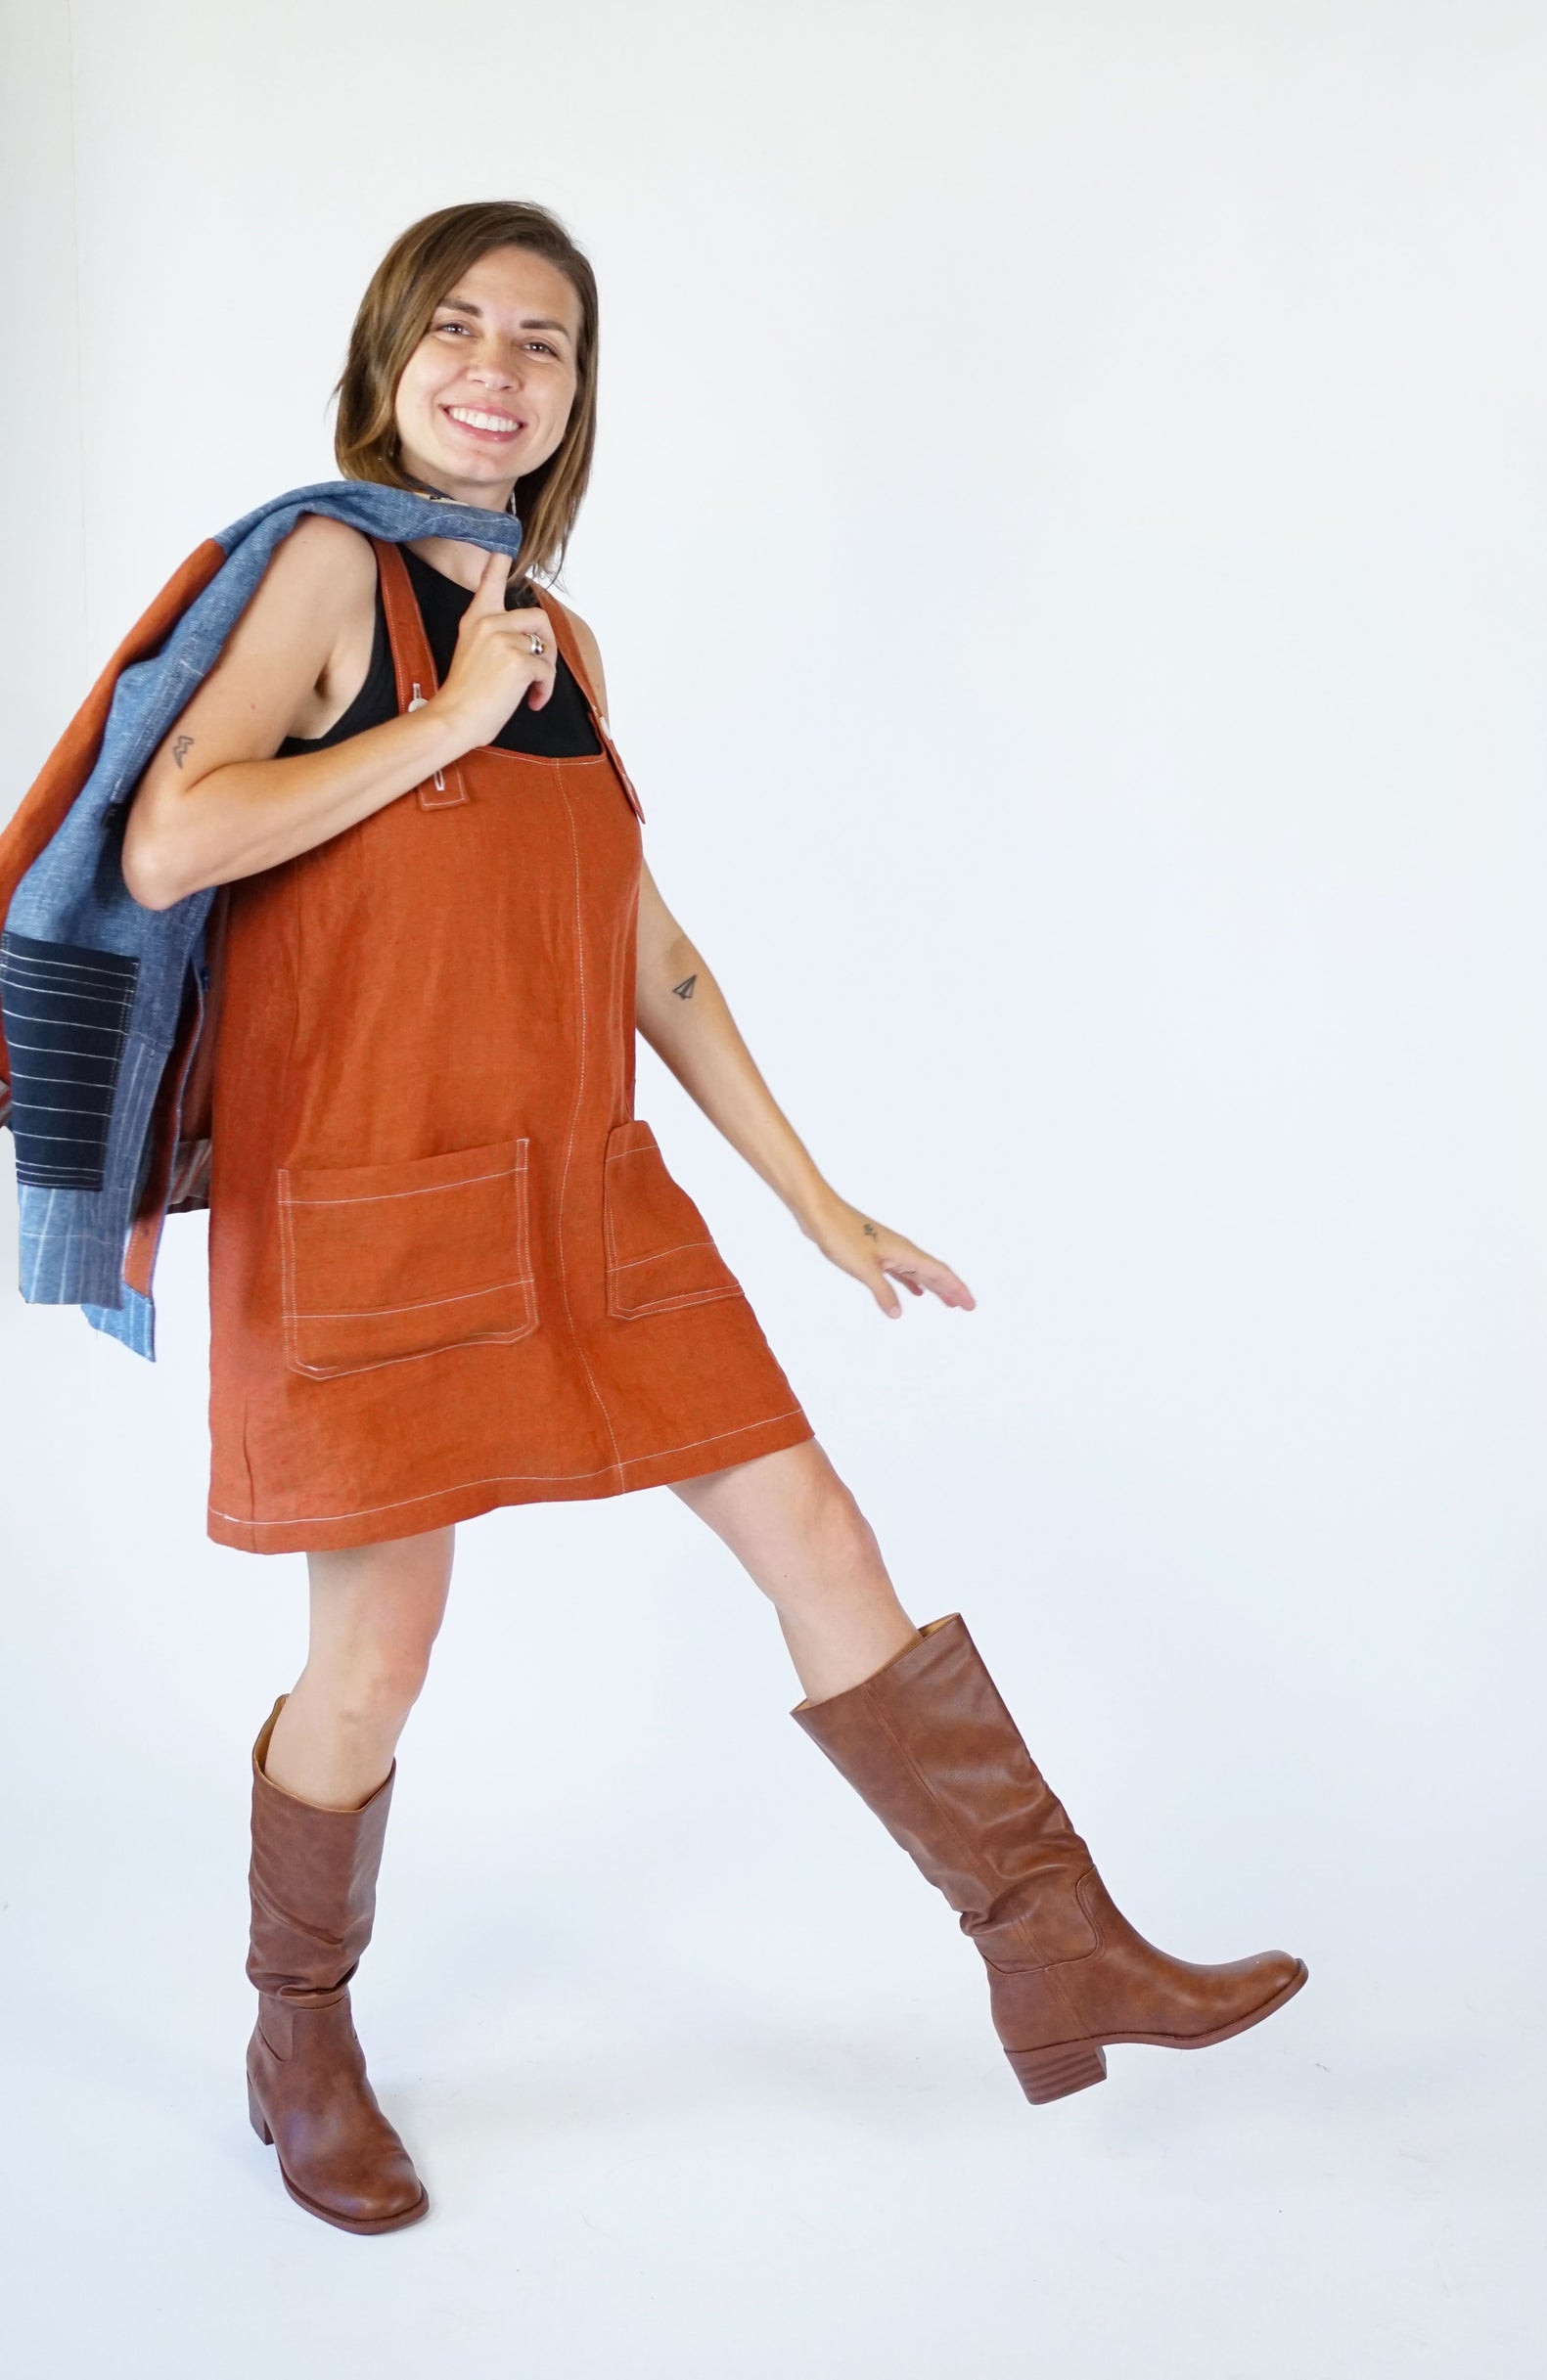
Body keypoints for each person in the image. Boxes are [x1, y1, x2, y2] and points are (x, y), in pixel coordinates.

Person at [115, 200, 1306, 2236]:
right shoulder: (325, 573)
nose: (497, 369)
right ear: (388, 357)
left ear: (577, 393)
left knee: (820, 1533)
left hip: (584, 1190)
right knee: (378, 1658)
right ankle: (295, 2032)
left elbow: (645, 956)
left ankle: (1054, 1941)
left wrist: (820, 1202)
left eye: (544, 341)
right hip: (375, 1205)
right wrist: (437, 725)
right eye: (458, 328)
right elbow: (170, 840)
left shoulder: (556, 641)